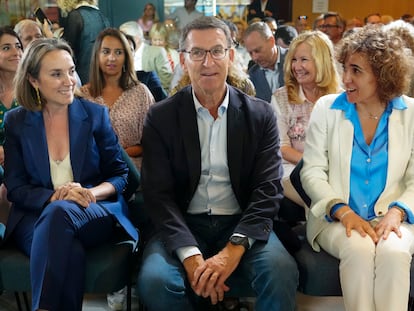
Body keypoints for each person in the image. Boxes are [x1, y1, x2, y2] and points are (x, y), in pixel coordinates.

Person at [136, 16, 298, 311]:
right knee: (155, 280)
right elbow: (157, 194)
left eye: (216, 51)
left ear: (231, 56)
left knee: (281, 271)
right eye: (197, 52)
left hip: (242, 220)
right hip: (184, 222)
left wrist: (232, 251)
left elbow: (268, 189)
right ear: (183, 60)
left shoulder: (260, 115)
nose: (207, 61)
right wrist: (191, 256)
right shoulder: (161, 116)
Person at [4, 37, 138, 311]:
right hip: (38, 215)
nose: (69, 80)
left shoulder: (95, 114)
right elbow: (15, 187)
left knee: (60, 213)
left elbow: (121, 175)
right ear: (33, 80)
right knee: (69, 249)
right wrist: (54, 196)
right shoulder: (16, 122)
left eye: (71, 70)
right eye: (56, 74)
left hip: (94, 210)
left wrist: (89, 191)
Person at [301, 26, 414, 311]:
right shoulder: (327, 108)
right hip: (335, 218)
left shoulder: (410, 113)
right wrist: (342, 210)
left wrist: (397, 211)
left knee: (394, 252)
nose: (346, 79)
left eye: (356, 70)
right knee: (359, 248)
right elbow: (311, 171)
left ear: (382, 74)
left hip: (394, 217)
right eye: (344, 68)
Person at [271, 31, 341, 207]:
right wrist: (315, 166)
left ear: (322, 61)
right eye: (294, 60)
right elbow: (282, 148)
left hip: (335, 171)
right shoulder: (281, 97)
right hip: (293, 169)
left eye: (304, 60)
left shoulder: (342, 98)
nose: (297, 66)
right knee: (320, 199)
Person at [80, 28, 154, 170]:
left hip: (134, 173)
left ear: (126, 56)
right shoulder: (84, 95)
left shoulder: (141, 92)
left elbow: (153, 140)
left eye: (118, 52)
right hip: (96, 174)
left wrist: (119, 155)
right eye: (106, 51)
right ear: (97, 55)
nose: (112, 58)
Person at [0, 27, 23, 229]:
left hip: (26, 158)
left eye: (18, 46)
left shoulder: (34, 88)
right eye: (6, 48)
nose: (16, 52)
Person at [56, 0, 110, 84]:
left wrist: (49, 35)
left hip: (83, 80)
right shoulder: (102, 16)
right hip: (102, 78)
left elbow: (65, 51)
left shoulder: (75, 16)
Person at [119, 21, 173, 94]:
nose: (120, 40)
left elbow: (166, 83)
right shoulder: (120, 55)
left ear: (136, 38)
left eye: (124, 37)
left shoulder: (157, 52)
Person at [243, 21, 287, 102]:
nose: (254, 58)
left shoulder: (294, 60)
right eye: (250, 53)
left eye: (257, 51)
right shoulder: (252, 75)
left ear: (271, 41)